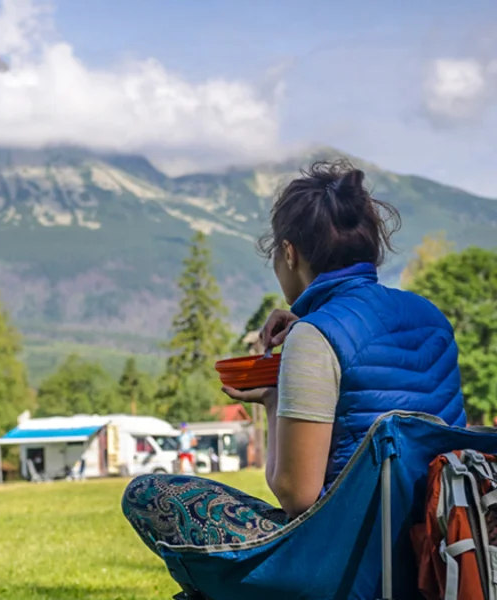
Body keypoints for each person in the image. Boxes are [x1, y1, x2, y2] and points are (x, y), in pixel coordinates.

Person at [122, 159, 466, 561]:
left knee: (149, 494)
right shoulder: (431, 317)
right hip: (440, 546)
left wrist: (273, 401)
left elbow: (297, 496)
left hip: (353, 560)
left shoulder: (315, 337)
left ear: (289, 253)